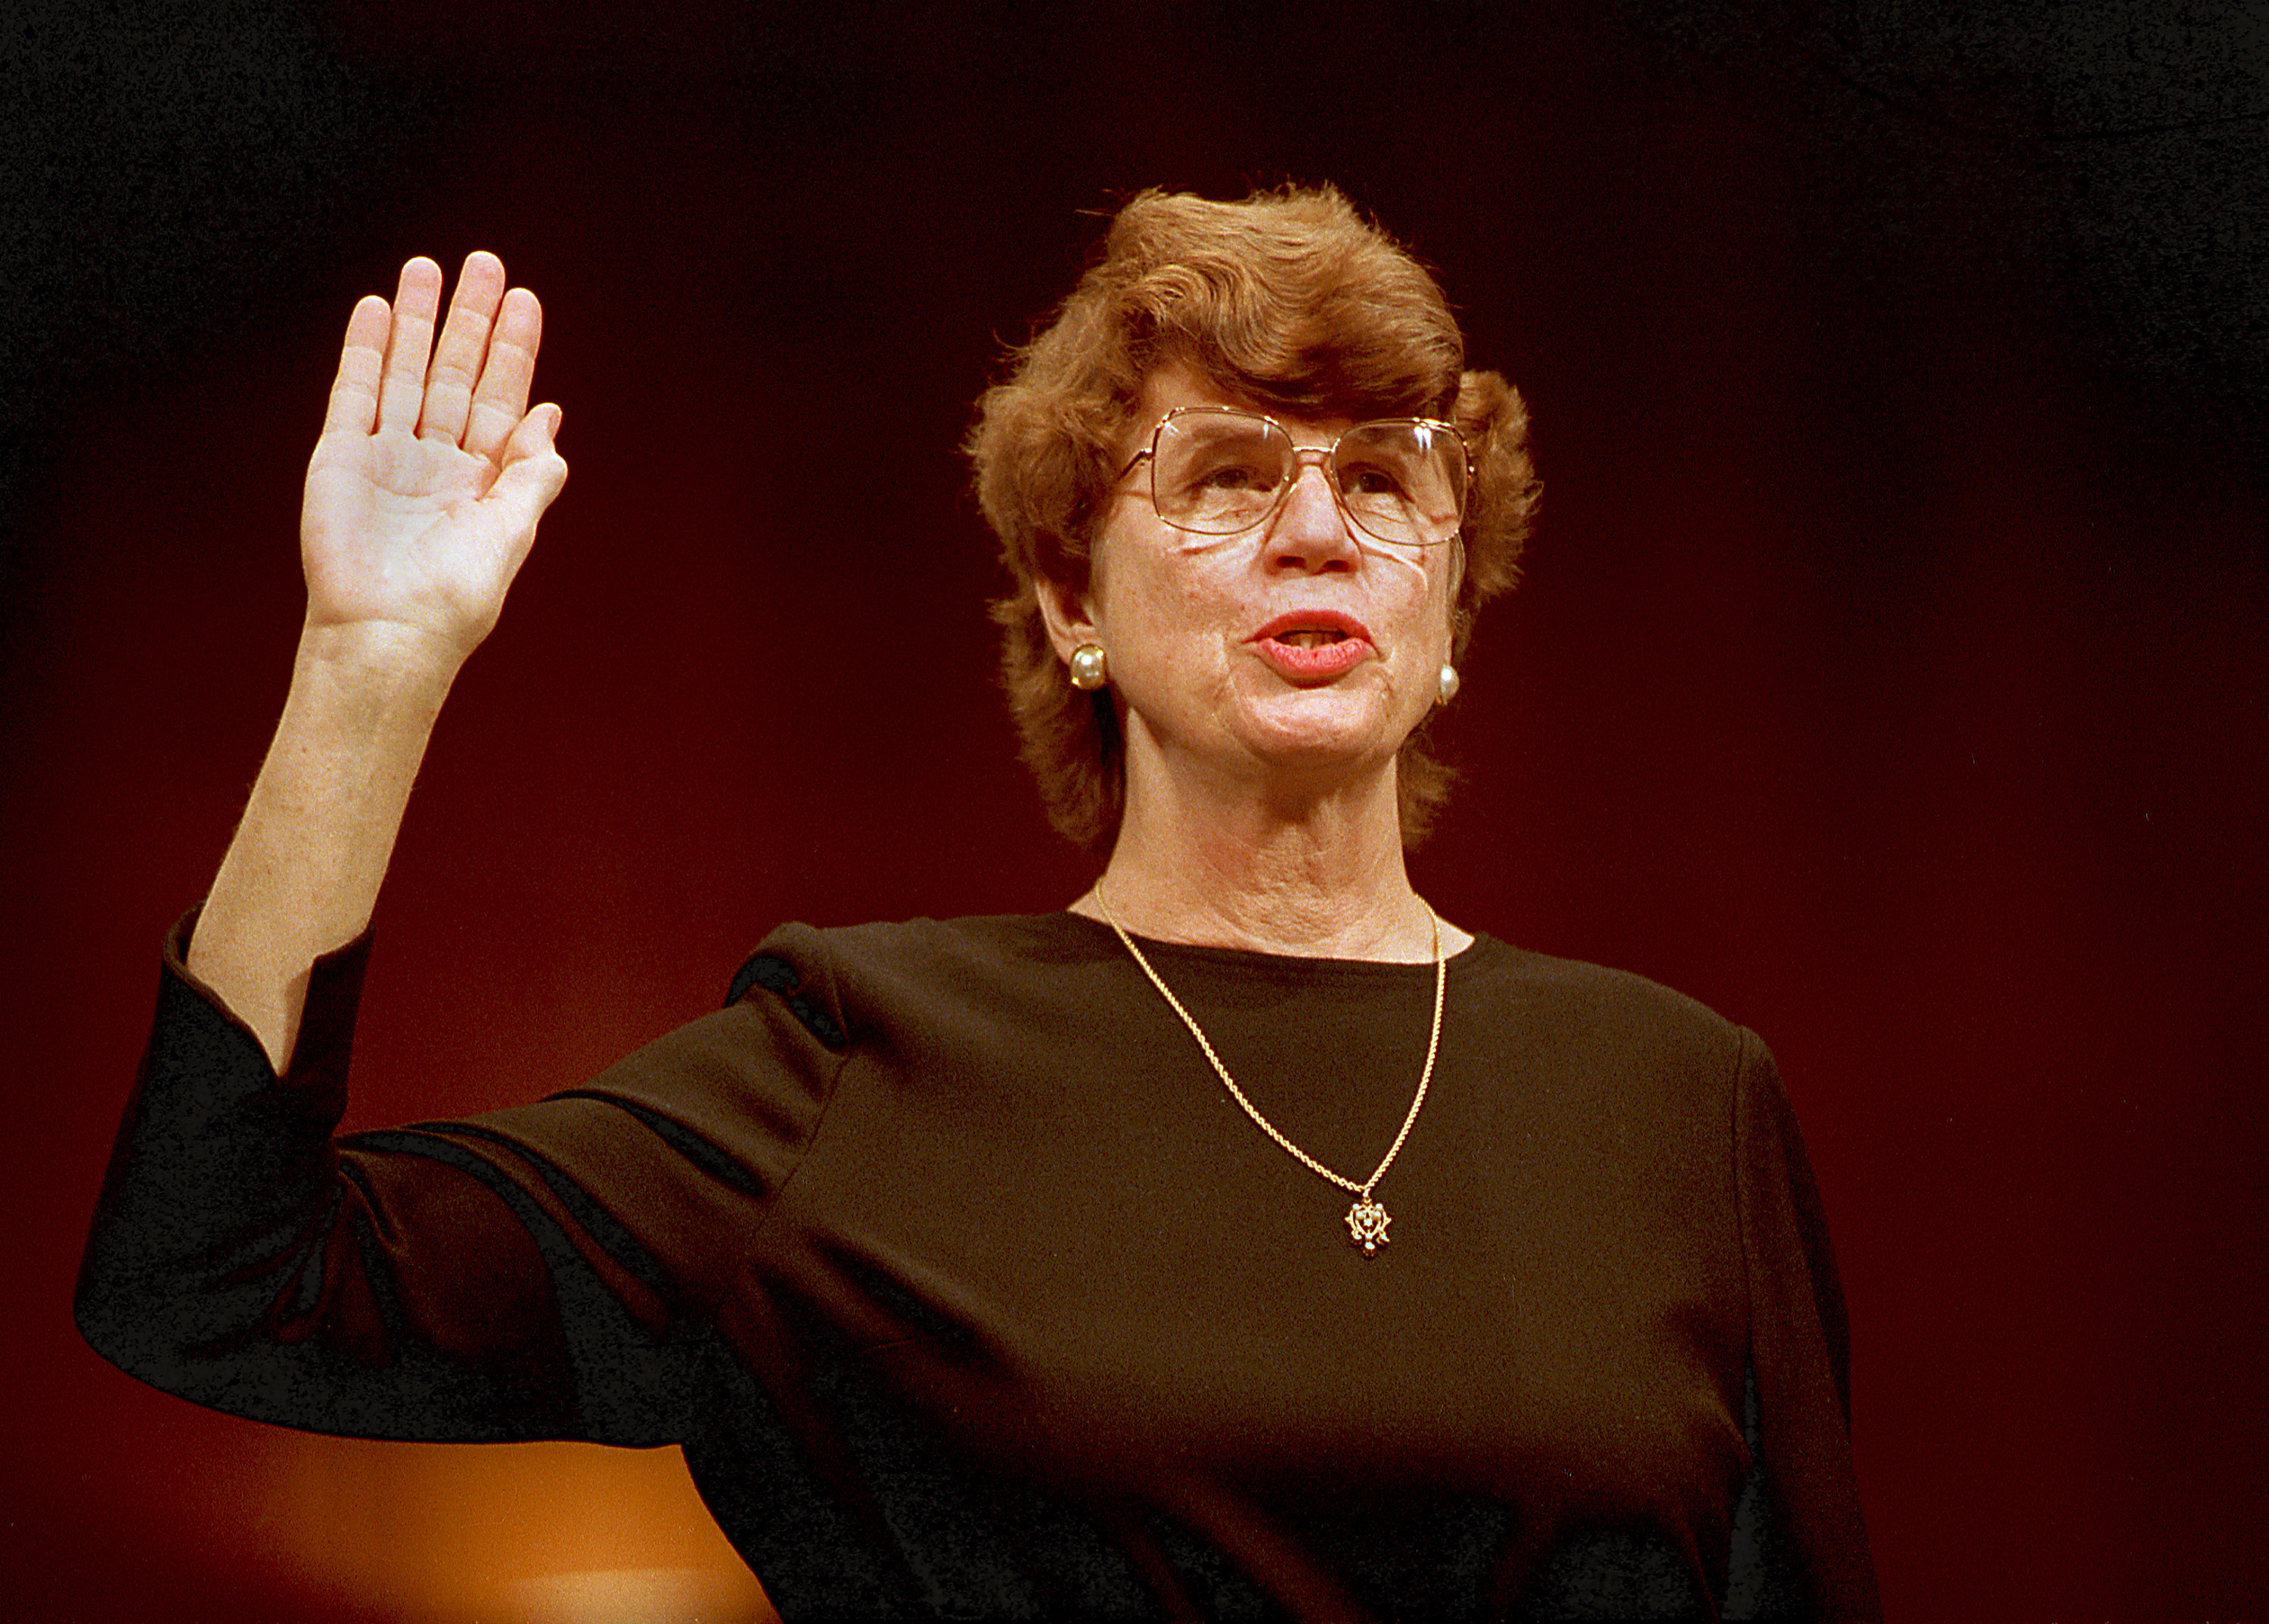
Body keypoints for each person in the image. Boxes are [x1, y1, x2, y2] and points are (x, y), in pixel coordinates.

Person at [78, 185, 1880, 1620]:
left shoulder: (1678, 1102)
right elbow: (217, 1281)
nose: (1319, 530)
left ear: (1451, 611)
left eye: (1384, 481)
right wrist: (367, 666)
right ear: (1072, 603)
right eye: (1230, 477)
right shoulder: (863, 1068)